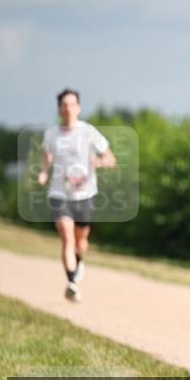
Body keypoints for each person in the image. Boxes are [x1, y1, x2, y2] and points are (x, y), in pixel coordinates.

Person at [37, 88, 116, 302]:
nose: (68, 108)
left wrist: (99, 162)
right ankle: (71, 282)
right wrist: (44, 171)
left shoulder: (88, 132)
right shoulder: (51, 134)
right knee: (66, 236)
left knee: (81, 241)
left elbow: (111, 158)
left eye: (72, 104)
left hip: (85, 194)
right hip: (59, 193)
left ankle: (79, 261)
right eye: (64, 105)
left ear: (78, 107)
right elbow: (46, 154)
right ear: (59, 109)